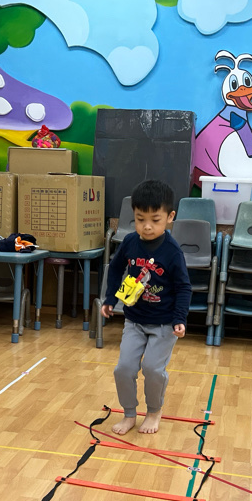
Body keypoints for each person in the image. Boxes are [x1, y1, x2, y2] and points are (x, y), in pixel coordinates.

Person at [101, 180, 192, 435]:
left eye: (155, 220)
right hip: (135, 321)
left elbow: (184, 287)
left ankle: (153, 411)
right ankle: (129, 414)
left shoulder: (172, 251)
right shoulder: (130, 242)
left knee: (153, 369)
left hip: (164, 324)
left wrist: (179, 318)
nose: (147, 226)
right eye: (140, 219)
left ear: (170, 217)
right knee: (124, 369)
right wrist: (110, 299)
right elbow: (115, 268)